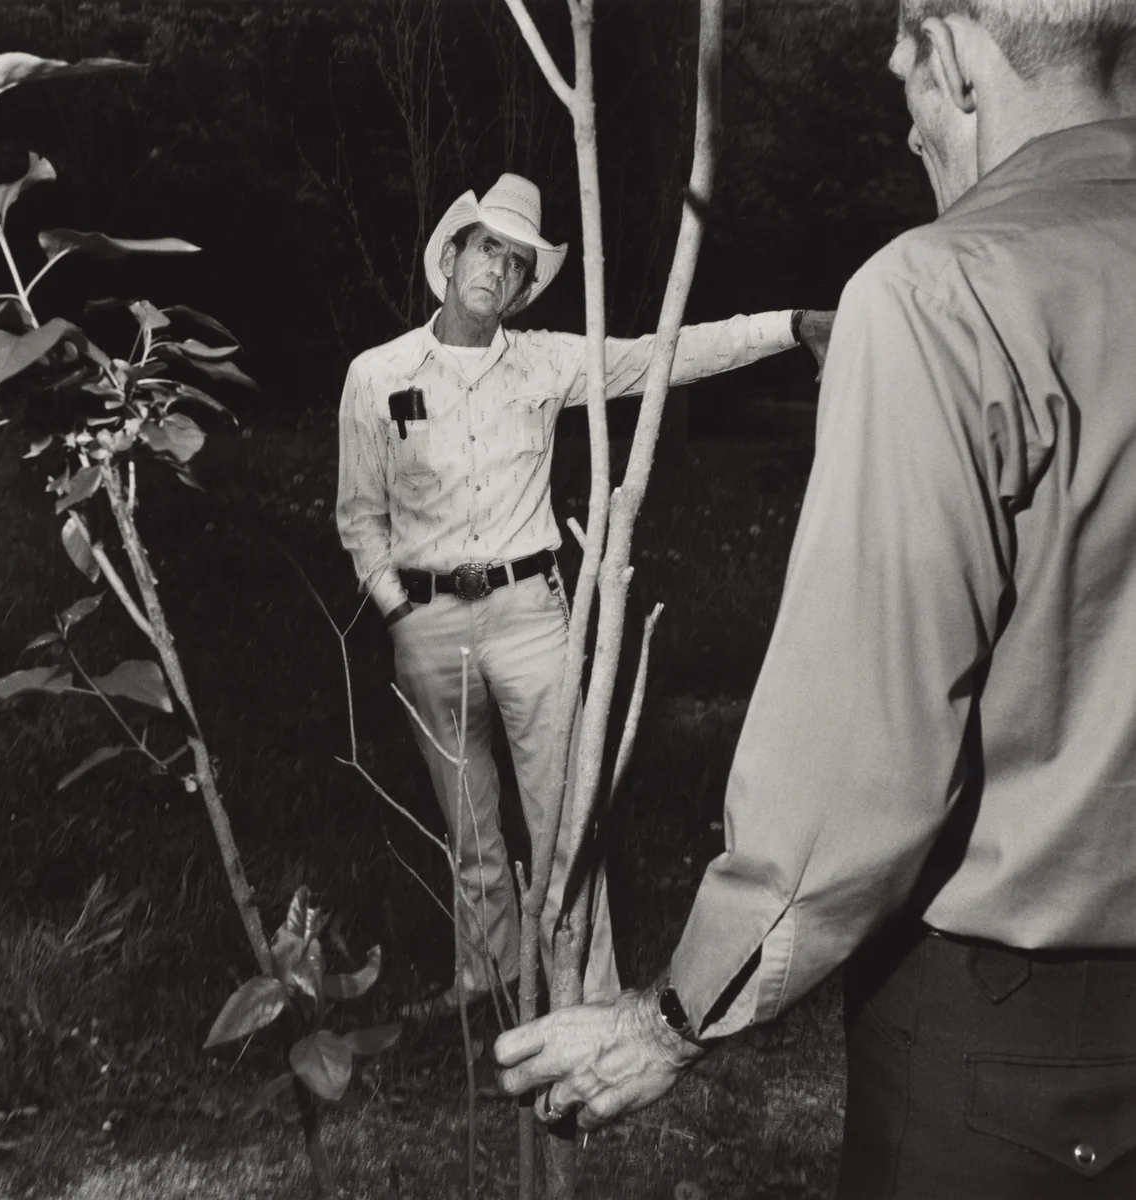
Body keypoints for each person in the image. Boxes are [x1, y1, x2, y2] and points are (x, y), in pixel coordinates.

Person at [495, 3, 1136, 1196]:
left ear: (951, 57)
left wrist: (672, 1016)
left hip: (1006, 1061)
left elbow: (857, 772)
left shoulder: (943, 294)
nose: (908, 137)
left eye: (905, 90)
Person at [336, 172, 832, 1018]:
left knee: (566, 819)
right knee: (470, 828)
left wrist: (791, 326)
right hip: (426, 624)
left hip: (532, 617)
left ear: (527, 287)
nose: (498, 268)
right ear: (452, 255)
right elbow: (358, 515)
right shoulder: (377, 374)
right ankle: (483, 986)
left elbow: (668, 352)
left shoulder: (548, 361)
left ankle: (589, 998)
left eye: (517, 261)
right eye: (487, 247)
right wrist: (396, 608)